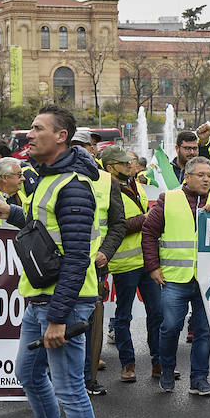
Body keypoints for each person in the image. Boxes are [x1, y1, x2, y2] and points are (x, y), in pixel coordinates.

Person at [13, 105, 104, 418]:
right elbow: (45, 234)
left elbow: (76, 256)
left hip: (62, 304)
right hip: (41, 299)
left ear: (61, 136)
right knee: (28, 375)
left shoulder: (73, 185)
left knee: (69, 389)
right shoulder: (48, 179)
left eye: (37, 129)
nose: (29, 135)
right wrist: (11, 212)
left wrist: (57, 318)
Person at [141, 157, 210, 396]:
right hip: (175, 278)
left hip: (208, 280)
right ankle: (167, 369)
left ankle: (199, 379)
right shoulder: (169, 199)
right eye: (201, 175)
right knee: (170, 327)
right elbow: (149, 233)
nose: (207, 179)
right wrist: (153, 267)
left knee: (203, 331)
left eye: (209, 175)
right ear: (187, 177)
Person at [71, 129, 124, 397]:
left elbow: (118, 224)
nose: (81, 150)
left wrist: (106, 251)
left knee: (93, 322)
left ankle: (88, 378)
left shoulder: (107, 181)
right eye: (74, 145)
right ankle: (65, 379)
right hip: (63, 264)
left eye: (85, 146)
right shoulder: (53, 178)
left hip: (96, 264)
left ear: (94, 149)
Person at [101, 147, 161, 384]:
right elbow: (113, 226)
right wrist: (145, 219)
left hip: (147, 261)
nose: (130, 166)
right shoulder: (105, 190)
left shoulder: (136, 185)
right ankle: (128, 364)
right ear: (110, 167)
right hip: (124, 264)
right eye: (124, 163)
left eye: (132, 162)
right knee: (123, 316)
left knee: (157, 314)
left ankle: (159, 363)